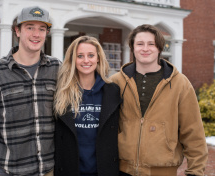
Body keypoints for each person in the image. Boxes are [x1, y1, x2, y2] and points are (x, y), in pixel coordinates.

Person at [111, 24, 208, 176]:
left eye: (151, 44)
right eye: (140, 44)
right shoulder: (116, 82)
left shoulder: (180, 83)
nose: (145, 48)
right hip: (122, 170)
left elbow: (193, 131)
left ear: (160, 48)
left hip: (163, 171)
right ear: (132, 47)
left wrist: (195, 171)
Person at [0, 6, 61, 176]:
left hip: (48, 170)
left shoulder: (57, 68)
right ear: (17, 30)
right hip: (7, 170)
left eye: (42, 29)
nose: (36, 34)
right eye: (30, 28)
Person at [53, 36, 121, 176]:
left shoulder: (112, 91)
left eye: (91, 55)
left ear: (98, 58)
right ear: (73, 59)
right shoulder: (61, 92)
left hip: (104, 170)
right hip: (69, 170)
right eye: (80, 56)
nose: (86, 60)